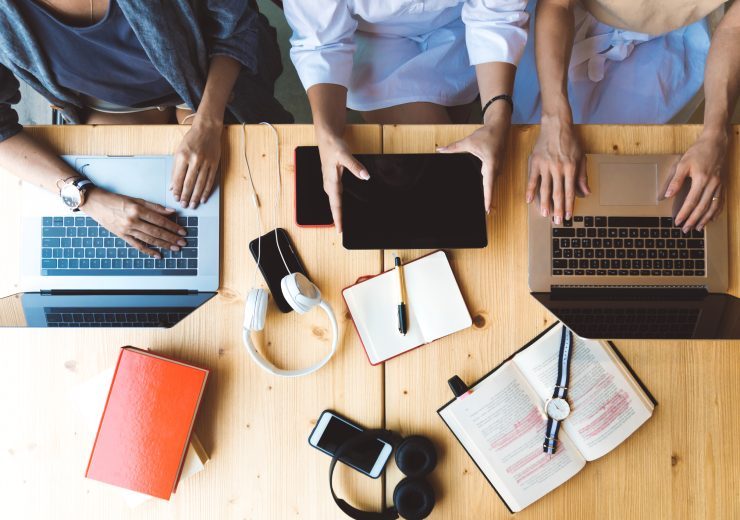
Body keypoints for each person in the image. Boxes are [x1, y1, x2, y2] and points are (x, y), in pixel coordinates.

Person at [0, 0, 292, 258]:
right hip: (112, 109)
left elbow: (237, 27)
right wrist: (84, 196)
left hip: (201, 87)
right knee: (123, 241)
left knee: (249, 204)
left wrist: (209, 123)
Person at [284, 0, 529, 231]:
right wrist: (326, 132)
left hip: (462, 25)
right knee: (441, 175)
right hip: (373, 38)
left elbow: (496, 17)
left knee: (454, 152)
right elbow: (321, 45)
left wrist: (497, 119)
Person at [521, 0, 739, 233]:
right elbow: (556, 4)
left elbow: (734, 29)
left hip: (668, 36)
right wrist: (554, 120)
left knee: (632, 173)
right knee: (530, 142)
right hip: (568, 23)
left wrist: (716, 135)